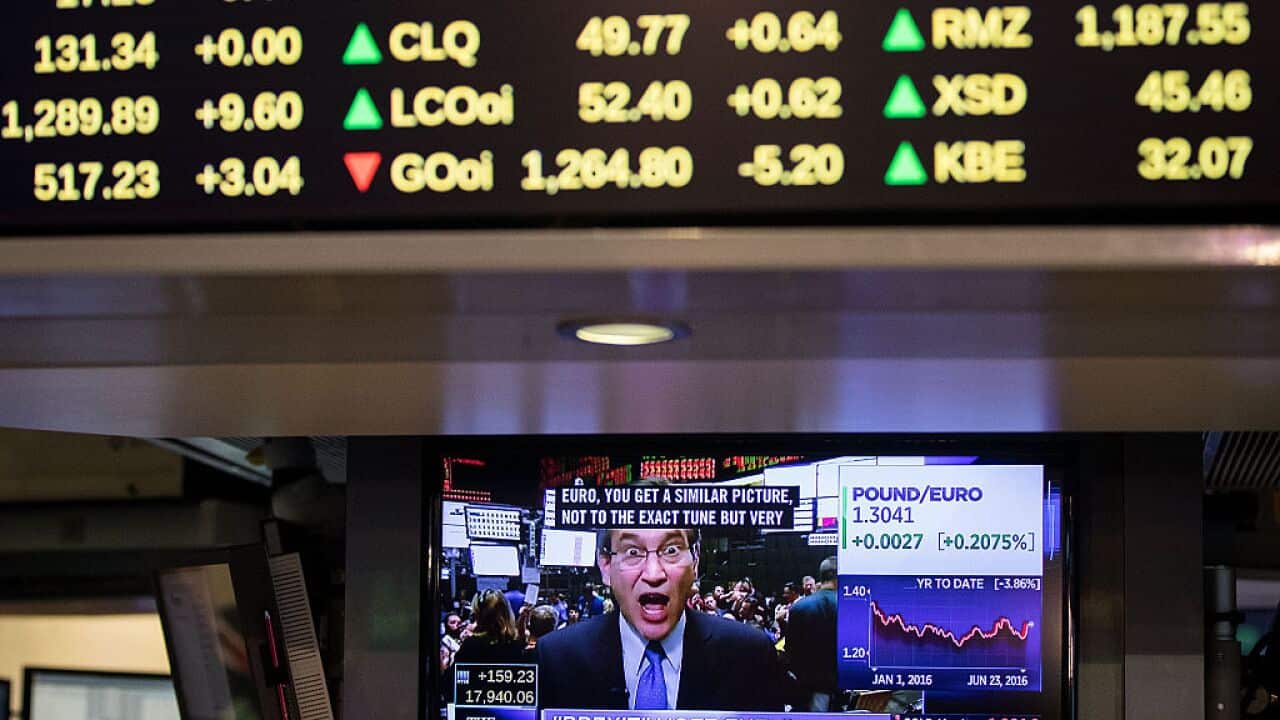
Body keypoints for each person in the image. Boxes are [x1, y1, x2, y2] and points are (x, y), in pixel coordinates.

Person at [536, 519, 784, 711]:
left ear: (695, 561)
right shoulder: (556, 658)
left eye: (672, 550)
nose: (654, 574)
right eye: (633, 552)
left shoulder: (750, 655)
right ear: (605, 566)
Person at [786, 557, 839, 711]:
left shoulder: (799, 607)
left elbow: (791, 651)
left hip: (806, 689)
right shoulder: (850, 605)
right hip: (840, 688)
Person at [454, 589, 525, 664]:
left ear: (478, 615)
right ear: (506, 613)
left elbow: (452, 674)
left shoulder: (470, 645)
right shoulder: (516, 645)